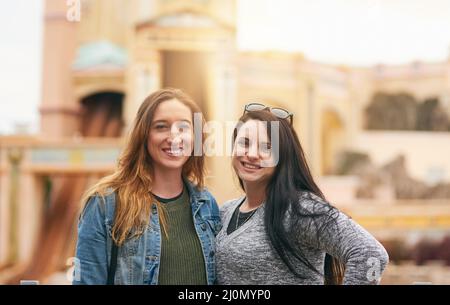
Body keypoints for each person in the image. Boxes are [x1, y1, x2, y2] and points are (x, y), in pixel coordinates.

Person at [216, 103, 389, 284]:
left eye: (266, 147)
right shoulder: (225, 212)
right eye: (244, 142)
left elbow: (372, 254)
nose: (251, 154)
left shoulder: (300, 208)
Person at [73, 88, 221, 285]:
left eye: (183, 128)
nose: (174, 137)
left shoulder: (207, 204)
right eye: (161, 127)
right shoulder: (106, 203)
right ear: (144, 135)